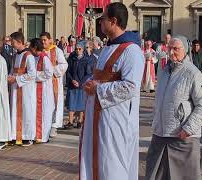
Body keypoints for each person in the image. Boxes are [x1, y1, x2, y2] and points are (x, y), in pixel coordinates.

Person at [80, 3, 144, 179]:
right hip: (98, 115)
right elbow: (101, 76)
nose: (100, 22)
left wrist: (98, 88)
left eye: (103, 19)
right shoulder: (107, 48)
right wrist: (89, 83)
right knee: (97, 159)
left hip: (115, 119)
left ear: (114, 21)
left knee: (111, 163)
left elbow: (131, 87)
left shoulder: (132, 51)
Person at [146, 35, 202, 180]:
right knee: (155, 175)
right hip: (160, 134)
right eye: (170, 48)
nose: (171, 52)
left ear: (185, 51)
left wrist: (187, 129)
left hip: (182, 137)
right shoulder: (163, 71)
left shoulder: (193, 73)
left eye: (176, 49)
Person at [8, 32, 36, 146]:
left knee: (27, 111)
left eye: (13, 42)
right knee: (15, 110)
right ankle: (16, 135)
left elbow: (32, 74)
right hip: (15, 89)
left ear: (19, 42)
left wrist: (17, 79)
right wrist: (9, 77)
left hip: (25, 89)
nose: (11, 44)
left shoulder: (28, 56)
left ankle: (28, 136)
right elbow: (12, 71)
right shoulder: (15, 55)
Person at [40, 32, 68, 137]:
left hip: (53, 81)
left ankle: (53, 126)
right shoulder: (40, 52)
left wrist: (52, 70)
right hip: (42, 81)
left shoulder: (57, 51)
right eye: (41, 40)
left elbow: (64, 64)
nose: (43, 42)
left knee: (55, 103)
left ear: (50, 40)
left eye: (45, 40)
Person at [29, 38, 54, 143]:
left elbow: (49, 73)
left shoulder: (44, 58)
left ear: (35, 47)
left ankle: (43, 136)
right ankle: (36, 135)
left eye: (31, 47)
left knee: (44, 113)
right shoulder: (34, 57)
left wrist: (35, 75)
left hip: (44, 89)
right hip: (36, 88)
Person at [65, 41, 93, 129]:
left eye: (80, 49)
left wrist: (80, 83)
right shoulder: (71, 58)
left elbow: (88, 74)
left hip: (81, 85)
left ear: (83, 49)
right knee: (71, 103)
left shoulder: (86, 60)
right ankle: (70, 121)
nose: (78, 50)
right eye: (76, 49)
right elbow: (68, 70)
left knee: (81, 103)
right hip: (72, 83)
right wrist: (72, 80)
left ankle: (80, 121)